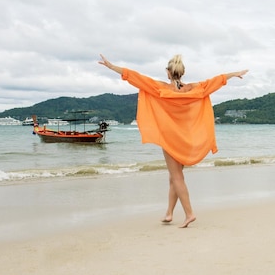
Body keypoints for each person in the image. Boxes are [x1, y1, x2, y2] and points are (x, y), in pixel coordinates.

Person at [98, 54, 248, 228]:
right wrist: (234, 73)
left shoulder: (160, 88)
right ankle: (169, 213)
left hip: (170, 137)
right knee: (174, 177)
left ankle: (189, 213)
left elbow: (135, 77)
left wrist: (111, 67)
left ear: (168, 73)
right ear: (182, 73)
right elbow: (216, 81)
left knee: (176, 176)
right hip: (187, 138)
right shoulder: (195, 88)